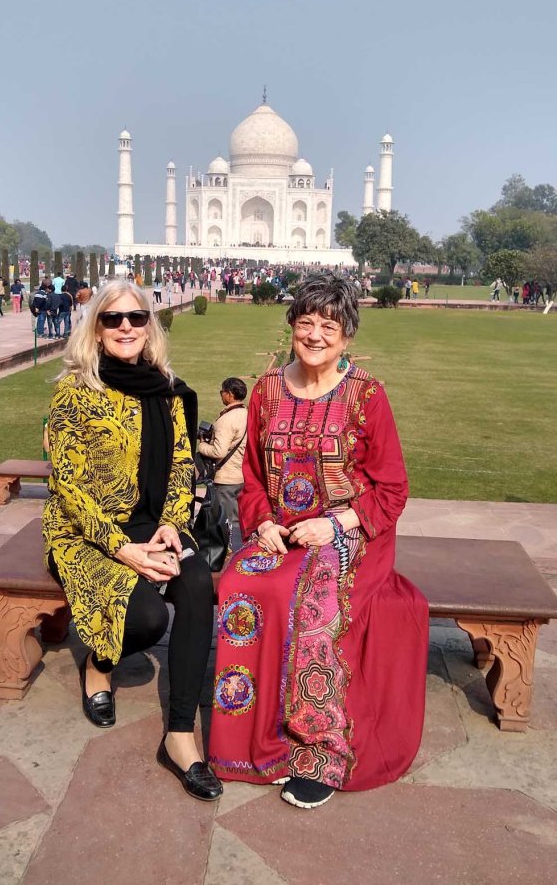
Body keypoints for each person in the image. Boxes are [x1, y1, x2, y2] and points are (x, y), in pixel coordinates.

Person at [208, 274, 428, 809]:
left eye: (329, 325)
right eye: (306, 322)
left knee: (314, 601)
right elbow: (254, 478)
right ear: (291, 325)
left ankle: (319, 749)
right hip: (282, 531)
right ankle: (244, 742)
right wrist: (261, 522)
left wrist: (334, 525)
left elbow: (392, 488)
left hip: (351, 534)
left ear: (346, 336)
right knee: (240, 583)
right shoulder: (265, 390)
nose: (315, 335)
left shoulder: (367, 396)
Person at [42, 280, 222, 801]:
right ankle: (99, 665)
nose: (126, 327)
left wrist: (170, 522)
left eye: (136, 318)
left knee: (196, 590)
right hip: (86, 530)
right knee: (145, 620)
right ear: (96, 329)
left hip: (151, 524)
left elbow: (182, 463)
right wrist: (123, 549)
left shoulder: (165, 387)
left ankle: (181, 735)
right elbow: (68, 486)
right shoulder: (77, 390)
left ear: (150, 326)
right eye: (113, 319)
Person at [196, 377, 248, 529]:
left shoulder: (227, 420)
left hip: (226, 478)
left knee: (225, 522)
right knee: (237, 518)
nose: (221, 395)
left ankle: (228, 551)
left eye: (222, 392)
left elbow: (219, 451)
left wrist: (202, 445)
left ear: (230, 394)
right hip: (240, 474)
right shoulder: (246, 413)